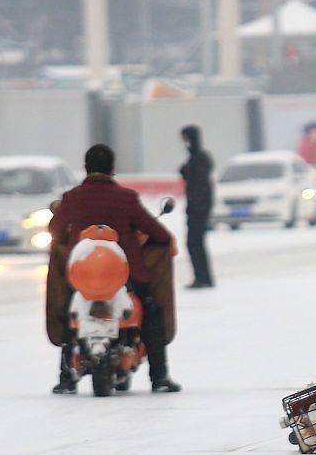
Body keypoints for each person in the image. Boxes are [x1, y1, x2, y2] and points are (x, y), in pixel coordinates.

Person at [49, 144, 181, 394]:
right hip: (126, 274)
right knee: (151, 311)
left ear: (86, 168)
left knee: (68, 312)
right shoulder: (126, 198)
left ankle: (66, 378)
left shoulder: (72, 198)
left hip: (82, 274)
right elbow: (159, 234)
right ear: (112, 169)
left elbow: (55, 231)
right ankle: (159, 377)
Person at [179, 125, 214, 289]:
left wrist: (197, 207)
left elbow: (200, 186)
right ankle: (202, 277)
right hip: (196, 208)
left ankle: (203, 278)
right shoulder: (196, 158)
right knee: (195, 243)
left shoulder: (199, 159)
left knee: (194, 243)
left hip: (198, 209)